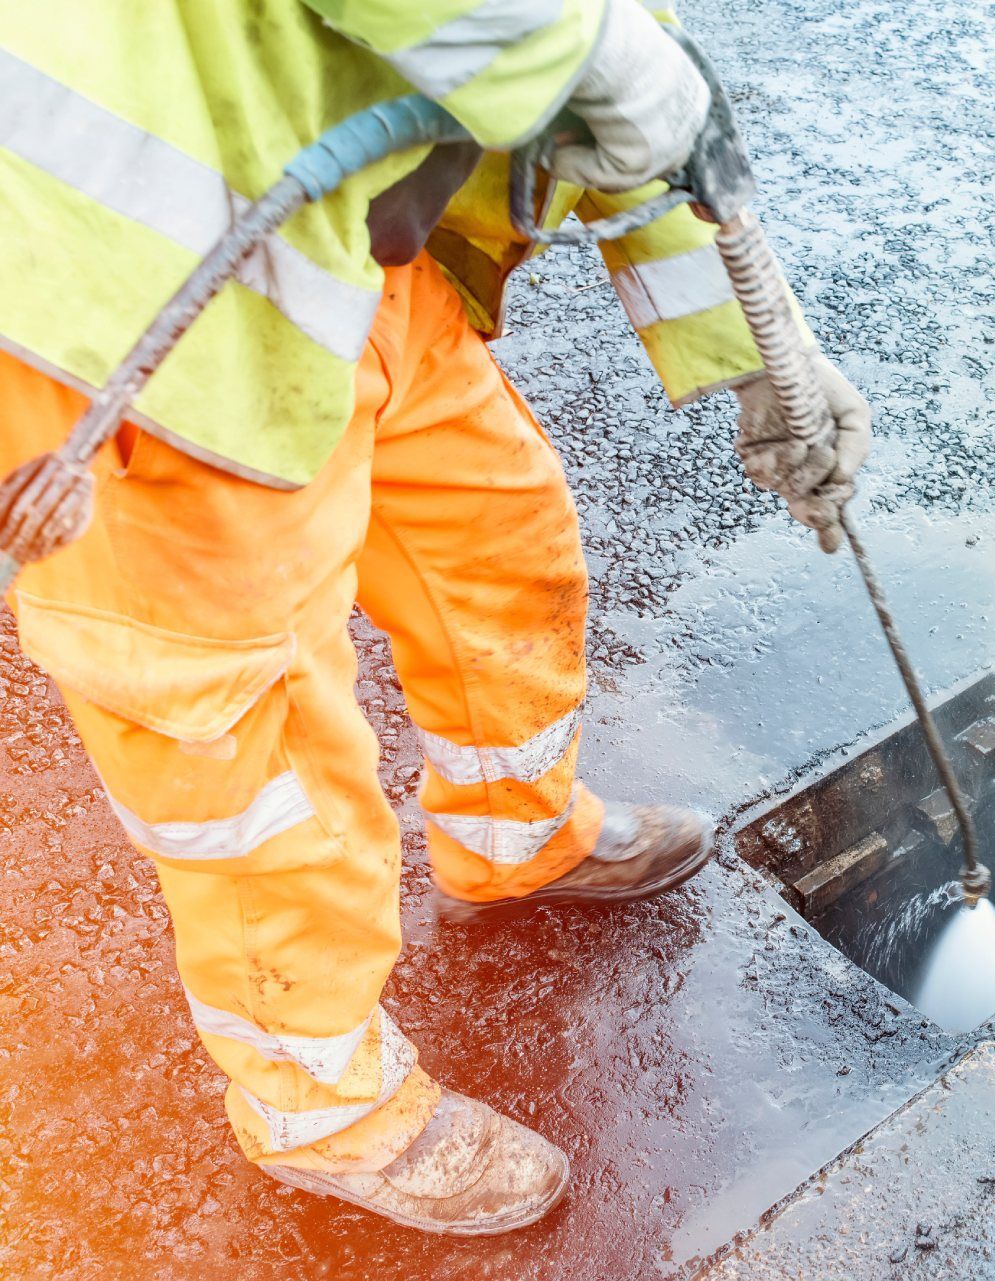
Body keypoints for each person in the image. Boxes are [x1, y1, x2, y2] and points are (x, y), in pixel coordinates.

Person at [0, 0, 870, 1235]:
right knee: (253, 749)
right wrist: (582, 50)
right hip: (135, 296)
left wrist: (756, 357)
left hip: (348, 237)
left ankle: (510, 835)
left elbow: (615, 109)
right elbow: (571, 51)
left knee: (501, 544)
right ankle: (319, 1103)